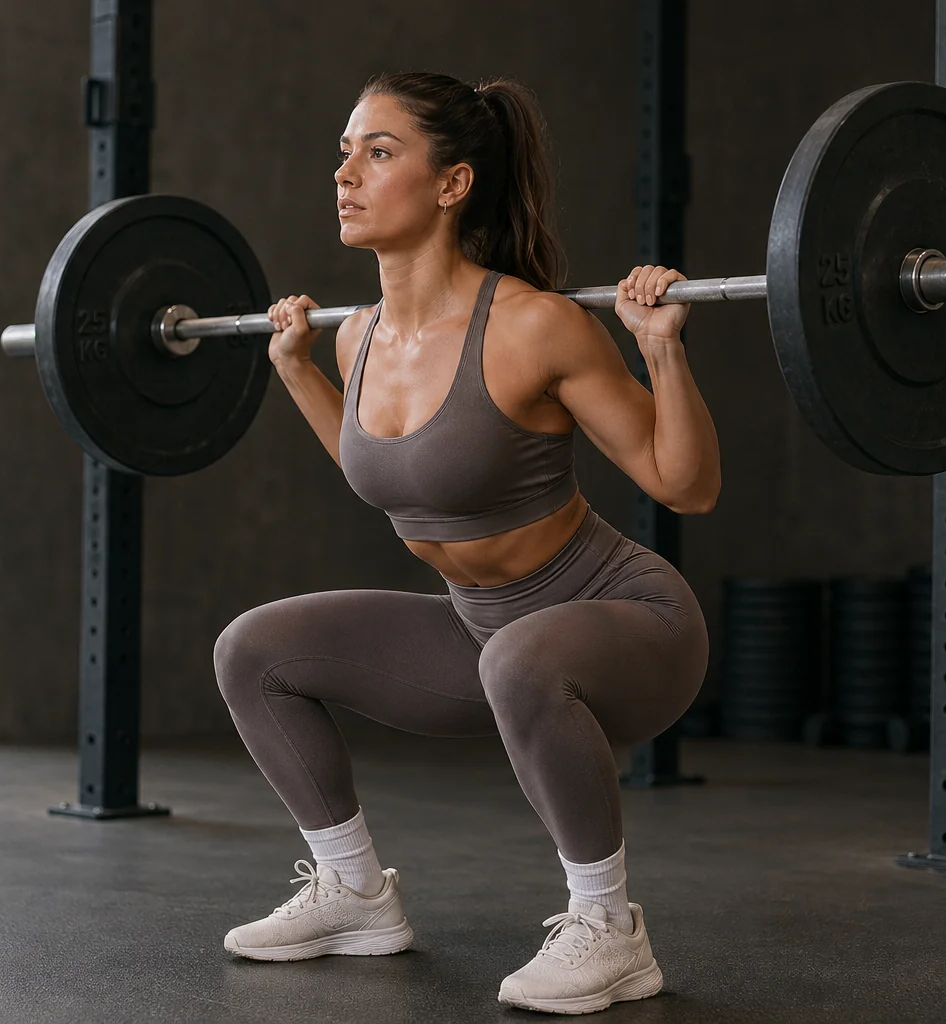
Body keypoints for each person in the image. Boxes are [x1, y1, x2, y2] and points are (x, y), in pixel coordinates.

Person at [212, 70, 718, 1015]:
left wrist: (661, 348)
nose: (345, 173)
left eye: (379, 151)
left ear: (453, 184)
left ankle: (609, 930)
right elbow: (393, 475)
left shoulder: (533, 325)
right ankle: (355, 893)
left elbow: (684, 487)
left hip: (630, 625)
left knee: (523, 658)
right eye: (344, 151)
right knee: (256, 649)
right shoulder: (358, 336)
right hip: (484, 636)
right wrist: (297, 372)